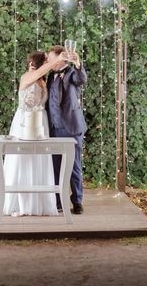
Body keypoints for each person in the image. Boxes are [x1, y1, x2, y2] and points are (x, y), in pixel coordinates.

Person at [1, 50, 68, 216]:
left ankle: (40, 203)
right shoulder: (27, 77)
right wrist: (56, 60)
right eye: (46, 61)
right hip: (24, 122)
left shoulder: (43, 81)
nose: (49, 63)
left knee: (40, 160)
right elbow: (39, 72)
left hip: (40, 123)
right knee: (21, 160)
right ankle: (19, 203)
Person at [46, 45, 87, 214]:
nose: (48, 61)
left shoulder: (71, 72)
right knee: (55, 167)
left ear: (61, 58)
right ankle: (58, 202)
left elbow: (81, 79)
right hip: (54, 128)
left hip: (71, 127)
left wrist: (77, 63)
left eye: (51, 58)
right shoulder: (50, 75)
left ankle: (77, 202)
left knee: (74, 167)